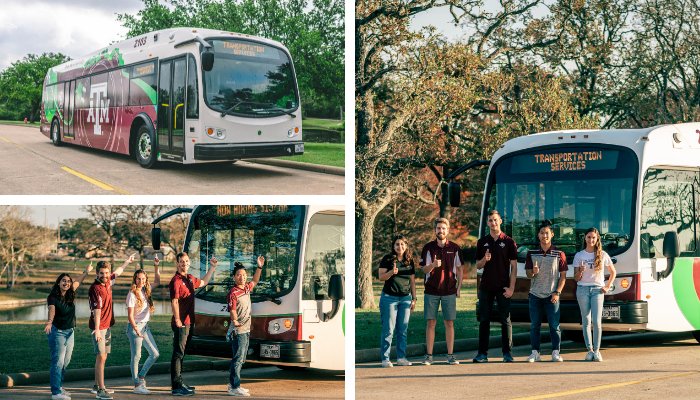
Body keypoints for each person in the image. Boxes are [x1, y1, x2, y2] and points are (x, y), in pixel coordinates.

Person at [169, 252, 218, 396]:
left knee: (182, 353)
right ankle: (176, 387)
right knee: (177, 354)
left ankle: (180, 382)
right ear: (177, 263)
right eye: (181, 262)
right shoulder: (175, 281)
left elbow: (204, 282)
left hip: (189, 322)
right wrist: (178, 319)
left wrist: (212, 268)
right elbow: (174, 301)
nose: (184, 263)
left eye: (186, 261)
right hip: (181, 323)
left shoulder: (190, 278)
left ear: (189, 263)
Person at [473, 210, 518, 363]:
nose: (493, 223)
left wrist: (511, 288)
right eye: (490, 220)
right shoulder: (482, 242)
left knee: (505, 320)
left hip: (503, 287)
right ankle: (482, 354)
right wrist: (484, 260)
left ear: (500, 221)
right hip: (486, 286)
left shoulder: (509, 241)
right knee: (484, 320)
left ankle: (507, 353)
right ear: (487, 223)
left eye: (495, 220)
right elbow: (477, 266)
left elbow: (514, 268)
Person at [89, 255, 136, 400]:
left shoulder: (108, 282)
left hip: (107, 325)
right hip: (99, 327)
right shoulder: (95, 288)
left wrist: (127, 261)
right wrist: (97, 329)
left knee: (103, 356)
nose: (105, 275)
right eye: (102, 273)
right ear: (97, 273)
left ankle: (97, 385)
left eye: (107, 272)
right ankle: (101, 390)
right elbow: (97, 311)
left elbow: (119, 271)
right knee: (101, 357)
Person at [45, 263, 93, 400]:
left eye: (68, 281)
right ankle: (55, 393)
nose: (66, 283)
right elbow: (52, 310)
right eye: (63, 281)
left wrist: (86, 271)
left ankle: (59, 386)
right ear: (58, 283)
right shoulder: (53, 297)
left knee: (66, 361)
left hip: (70, 332)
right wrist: (49, 322)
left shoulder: (71, 293)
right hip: (58, 332)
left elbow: (79, 280)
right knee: (57, 362)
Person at [420, 217, 463, 366]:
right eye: (438, 228)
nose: (441, 231)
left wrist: (458, 288)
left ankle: (450, 355)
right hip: (431, 290)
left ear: (448, 230)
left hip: (449, 291)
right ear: (435, 230)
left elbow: (459, 269)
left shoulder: (455, 248)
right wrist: (432, 265)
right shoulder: (428, 248)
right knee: (431, 323)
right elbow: (423, 269)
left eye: (443, 228)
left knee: (449, 323)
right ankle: (429, 356)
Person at [525, 220, 567, 362]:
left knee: (554, 326)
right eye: (542, 233)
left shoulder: (559, 254)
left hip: (552, 296)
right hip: (535, 295)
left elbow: (563, 277)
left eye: (547, 233)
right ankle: (535, 352)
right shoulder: (531, 253)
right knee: (534, 326)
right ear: (538, 235)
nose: (544, 236)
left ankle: (556, 352)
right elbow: (528, 274)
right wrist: (534, 272)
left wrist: (557, 293)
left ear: (552, 234)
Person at [573, 227, 617, 362]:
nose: (591, 240)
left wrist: (607, 286)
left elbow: (613, 272)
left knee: (597, 322)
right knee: (586, 321)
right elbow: (576, 278)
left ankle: (597, 351)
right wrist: (580, 271)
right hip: (582, 290)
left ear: (597, 239)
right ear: (585, 238)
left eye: (593, 237)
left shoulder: (603, 254)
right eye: (588, 237)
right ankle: (589, 350)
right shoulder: (579, 255)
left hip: (598, 290)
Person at [226, 256, 265, 397]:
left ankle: (233, 384)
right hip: (238, 330)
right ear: (234, 277)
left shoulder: (247, 288)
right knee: (238, 358)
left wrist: (259, 267)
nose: (241, 277)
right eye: (238, 275)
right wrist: (235, 321)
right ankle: (234, 387)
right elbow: (232, 309)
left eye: (243, 275)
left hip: (246, 329)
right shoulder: (233, 292)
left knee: (241, 358)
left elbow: (255, 280)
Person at [378, 235, 417, 367]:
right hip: (389, 298)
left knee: (402, 330)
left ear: (406, 246)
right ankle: (385, 359)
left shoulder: (409, 261)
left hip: (405, 299)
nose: (399, 247)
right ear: (393, 246)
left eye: (402, 244)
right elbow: (380, 277)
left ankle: (401, 358)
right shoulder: (387, 259)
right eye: (397, 244)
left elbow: (412, 281)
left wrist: (414, 298)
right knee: (388, 329)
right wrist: (391, 273)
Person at [125, 255, 162, 394]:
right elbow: (130, 316)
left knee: (154, 354)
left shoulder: (146, 290)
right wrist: (136, 330)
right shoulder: (132, 294)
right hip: (135, 328)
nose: (141, 281)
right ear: (135, 279)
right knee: (136, 357)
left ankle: (141, 377)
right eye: (138, 278)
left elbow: (158, 281)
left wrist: (156, 265)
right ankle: (136, 386)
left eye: (143, 278)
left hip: (145, 327)